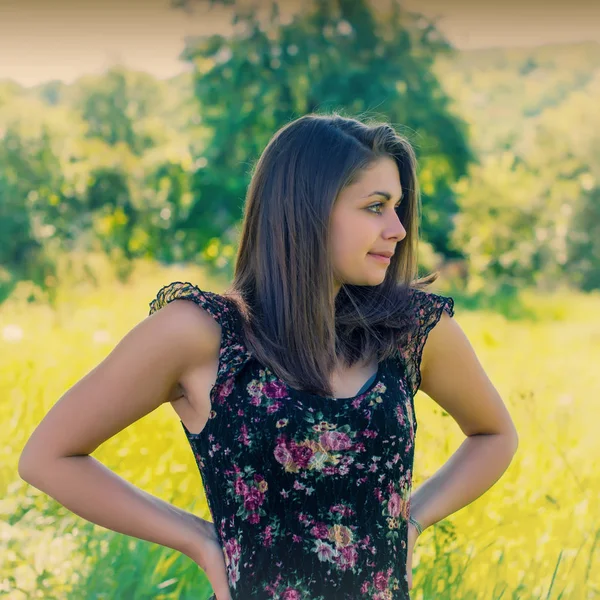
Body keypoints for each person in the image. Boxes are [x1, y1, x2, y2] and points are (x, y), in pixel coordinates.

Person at [18, 113, 519, 599]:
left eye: (398, 208)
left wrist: (411, 519)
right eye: (375, 206)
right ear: (307, 207)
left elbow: (495, 434)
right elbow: (48, 457)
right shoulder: (202, 333)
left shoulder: (412, 330)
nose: (398, 229)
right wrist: (199, 540)